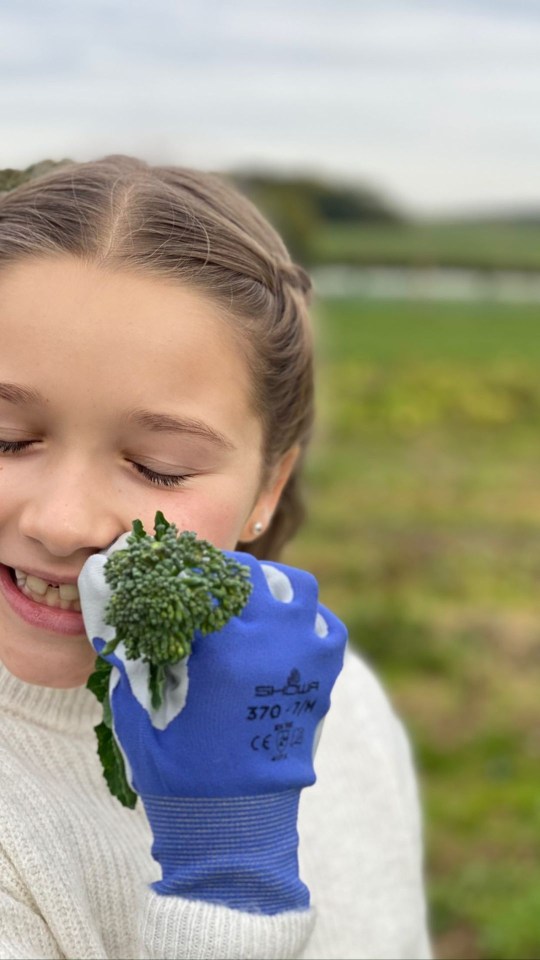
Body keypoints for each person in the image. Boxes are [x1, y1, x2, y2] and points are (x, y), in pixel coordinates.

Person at [0, 155, 431, 960]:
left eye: (159, 466)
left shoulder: (338, 700)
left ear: (270, 487)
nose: (62, 524)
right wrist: (224, 891)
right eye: (6, 440)